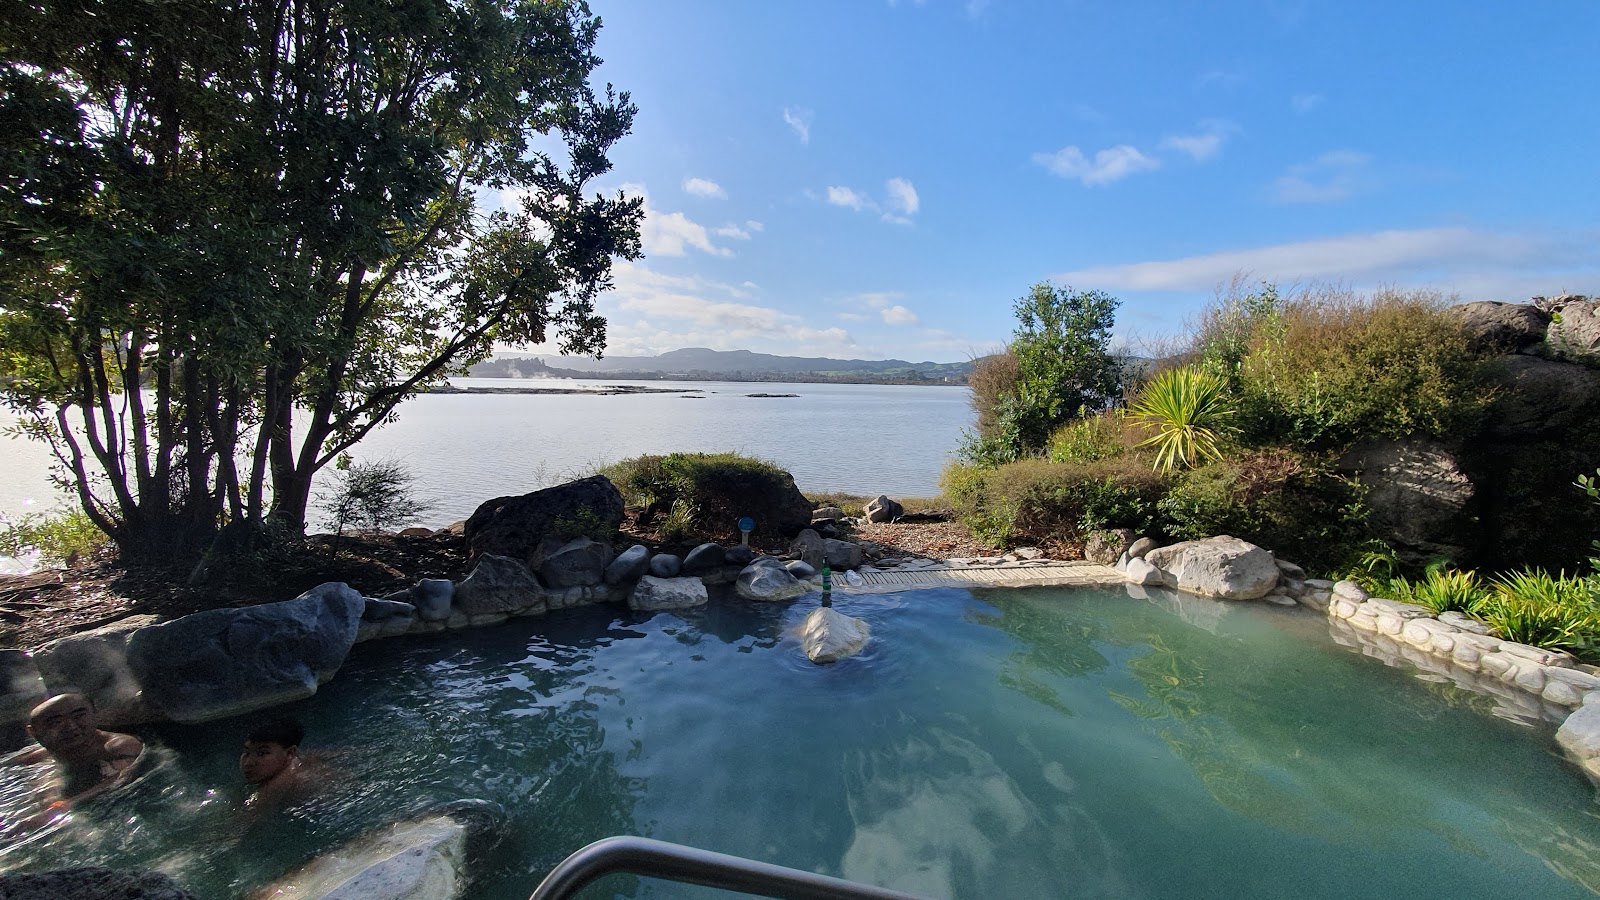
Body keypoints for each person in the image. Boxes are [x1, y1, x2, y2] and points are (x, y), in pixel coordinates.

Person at [1, 692, 144, 830]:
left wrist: (62, 807)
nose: (71, 726)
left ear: (95, 715)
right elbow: (16, 764)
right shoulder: (47, 752)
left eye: (79, 716)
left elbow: (120, 778)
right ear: (33, 732)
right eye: (56, 722)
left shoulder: (118, 747)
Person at [240, 718, 313, 807]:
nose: (248, 763)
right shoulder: (299, 761)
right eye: (247, 753)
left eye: (262, 753)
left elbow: (245, 820)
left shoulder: (271, 790)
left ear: (290, 752)